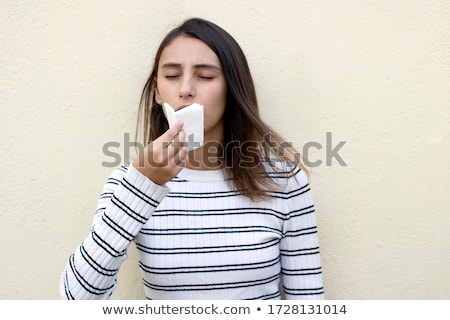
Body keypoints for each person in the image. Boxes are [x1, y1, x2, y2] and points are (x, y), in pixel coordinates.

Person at [59, 17, 324, 300]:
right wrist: (142, 184)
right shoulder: (128, 181)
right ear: (158, 92)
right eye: (172, 76)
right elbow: (75, 301)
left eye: (205, 76)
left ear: (232, 90)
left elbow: (309, 305)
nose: (185, 89)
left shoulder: (284, 181)